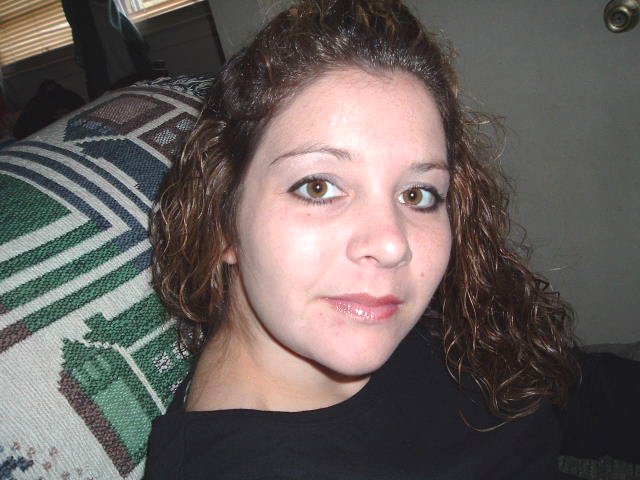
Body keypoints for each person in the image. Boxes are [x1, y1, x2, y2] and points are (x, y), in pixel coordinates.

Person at [145, 0, 584, 478]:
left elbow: (558, 385)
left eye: (417, 194)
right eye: (318, 187)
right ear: (222, 220)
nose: (393, 245)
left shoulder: (428, 321)